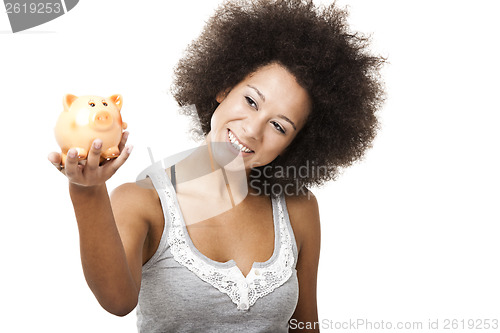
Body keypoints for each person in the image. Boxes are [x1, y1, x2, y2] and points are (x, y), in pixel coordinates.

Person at [48, 0, 385, 332]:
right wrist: (86, 190)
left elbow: (304, 324)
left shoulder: (299, 208)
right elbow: (117, 301)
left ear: (294, 144)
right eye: (251, 101)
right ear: (225, 86)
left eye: (279, 126)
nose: (252, 130)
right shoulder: (143, 201)